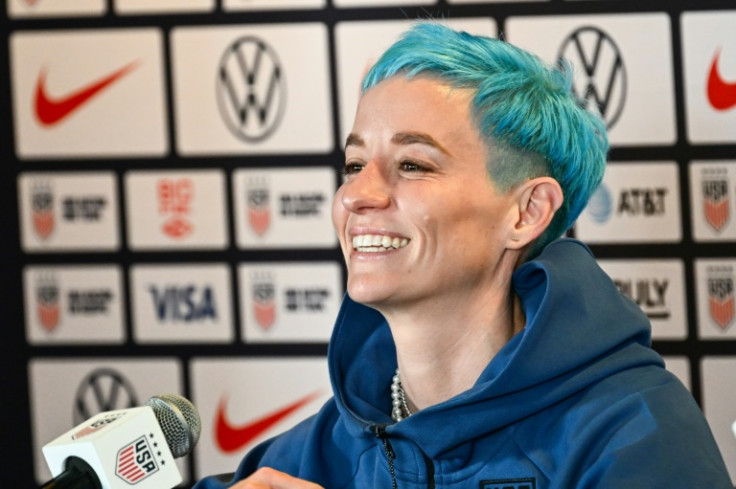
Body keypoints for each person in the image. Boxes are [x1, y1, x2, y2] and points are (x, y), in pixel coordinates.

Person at [195, 23, 732, 488]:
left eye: (413, 165)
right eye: (355, 164)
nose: (357, 196)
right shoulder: (322, 447)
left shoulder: (635, 435)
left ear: (526, 212)